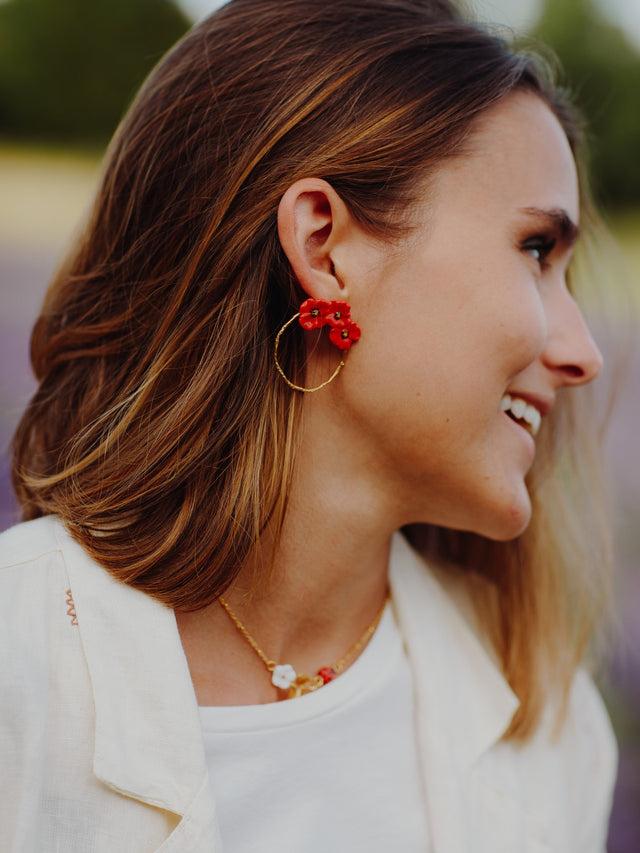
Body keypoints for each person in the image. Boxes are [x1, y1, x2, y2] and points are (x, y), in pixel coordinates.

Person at [0, 0, 621, 850]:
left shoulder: (549, 729)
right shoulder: (19, 669)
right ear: (324, 246)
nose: (583, 351)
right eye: (536, 250)